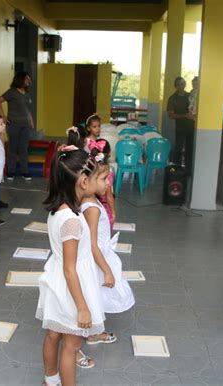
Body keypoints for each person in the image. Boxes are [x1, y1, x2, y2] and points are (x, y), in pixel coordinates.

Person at [36, 146, 106, 386]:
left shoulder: (59, 210)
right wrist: (82, 307)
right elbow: (70, 268)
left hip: (57, 282)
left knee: (53, 335)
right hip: (71, 287)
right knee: (71, 346)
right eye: (97, 177)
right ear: (83, 181)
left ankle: (50, 379)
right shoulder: (72, 221)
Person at [81, 144, 135, 345]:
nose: (107, 184)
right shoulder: (92, 208)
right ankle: (90, 333)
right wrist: (107, 270)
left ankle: (93, 331)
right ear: (87, 181)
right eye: (103, 179)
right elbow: (92, 244)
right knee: (94, 295)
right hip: (97, 259)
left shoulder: (92, 202)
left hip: (100, 255)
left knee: (95, 296)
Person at [0, 71, 34, 181]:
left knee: (23, 148)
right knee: (13, 148)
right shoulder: (11, 92)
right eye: (27, 79)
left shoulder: (27, 94)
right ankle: (10, 172)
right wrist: (3, 116)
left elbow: (27, 110)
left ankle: (24, 171)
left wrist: (31, 121)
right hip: (13, 125)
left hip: (25, 125)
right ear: (21, 80)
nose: (29, 81)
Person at [167, 76, 195, 173]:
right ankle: (176, 171)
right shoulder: (172, 98)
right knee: (178, 150)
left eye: (182, 84)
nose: (180, 86)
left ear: (185, 84)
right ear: (175, 86)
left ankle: (188, 171)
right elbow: (171, 115)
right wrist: (185, 116)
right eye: (178, 85)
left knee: (190, 151)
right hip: (180, 128)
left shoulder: (191, 96)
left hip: (192, 128)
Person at [87, 138, 116, 232]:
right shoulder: (107, 172)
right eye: (104, 179)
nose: (107, 182)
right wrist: (113, 213)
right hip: (104, 209)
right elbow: (109, 196)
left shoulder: (90, 169)